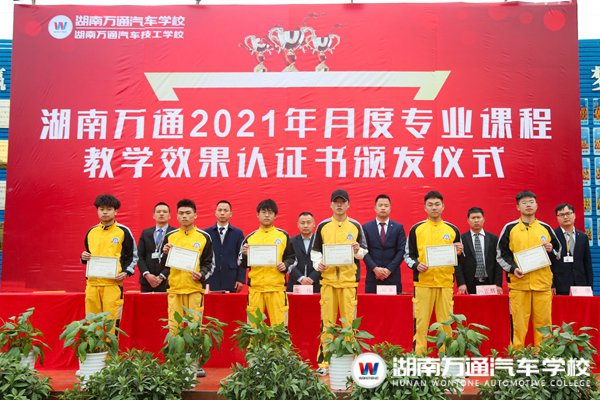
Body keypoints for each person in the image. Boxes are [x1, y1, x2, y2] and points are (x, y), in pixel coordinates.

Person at [312, 189, 368, 375]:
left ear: (348, 204)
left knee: (349, 324)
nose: (339, 205)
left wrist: (357, 250)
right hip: (328, 282)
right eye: (336, 202)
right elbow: (315, 252)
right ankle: (324, 363)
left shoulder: (355, 226)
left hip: (348, 282)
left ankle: (350, 362)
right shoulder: (323, 226)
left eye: (342, 202)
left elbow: (364, 252)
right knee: (327, 323)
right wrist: (318, 264)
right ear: (331, 204)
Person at [497, 190, 560, 348]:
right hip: (519, 285)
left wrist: (551, 249)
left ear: (537, 205)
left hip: (542, 285)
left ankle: (543, 356)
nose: (528, 205)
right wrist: (513, 269)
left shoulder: (545, 228)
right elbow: (501, 255)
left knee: (544, 325)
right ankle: (517, 357)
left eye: (531, 202)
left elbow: (558, 253)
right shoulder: (510, 228)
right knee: (518, 325)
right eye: (524, 203)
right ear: (518, 207)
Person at [404, 191, 463, 355]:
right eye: (430, 205)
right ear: (425, 208)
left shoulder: (452, 229)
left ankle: (446, 357)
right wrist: (416, 265)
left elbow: (460, 258)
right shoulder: (417, 229)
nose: (434, 208)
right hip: (423, 283)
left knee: (446, 324)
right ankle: (419, 357)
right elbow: (408, 255)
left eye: (437, 204)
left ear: (443, 206)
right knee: (421, 323)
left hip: (445, 284)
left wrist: (459, 252)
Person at [160, 199, 214, 377]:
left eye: (188, 213)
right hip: (175, 289)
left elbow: (209, 264)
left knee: (194, 328)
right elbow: (161, 263)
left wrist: (202, 274)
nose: (184, 216)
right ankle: (174, 364)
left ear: (195, 215)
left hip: (194, 289)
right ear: (176, 216)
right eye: (181, 213)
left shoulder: (203, 237)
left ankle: (194, 364)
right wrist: (164, 253)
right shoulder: (170, 236)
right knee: (174, 328)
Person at [80, 194, 137, 329]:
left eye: (109, 209)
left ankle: (110, 344)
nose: (105, 212)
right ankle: (94, 344)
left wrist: (126, 272)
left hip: (113, 284)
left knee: (111, 323)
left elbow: (133, 256)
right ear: (97, 211)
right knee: (92, 324)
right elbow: (88, 254)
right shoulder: (91, 232)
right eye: (101, 209)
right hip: (92, 284)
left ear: (116, 211)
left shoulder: (123, 231)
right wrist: (83, 257)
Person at [239, 199, 296, 326]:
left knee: (279, 327)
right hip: (256, 289)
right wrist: (244, 254)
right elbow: (241, 263)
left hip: (276, 288)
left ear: (275, 216)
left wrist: (286, 265)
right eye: (263, 212)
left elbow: (293, 258)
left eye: (270, 212)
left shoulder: (283, 236)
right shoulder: (250, 238)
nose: (266, 215)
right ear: (257, 214)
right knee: (254, 328)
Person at [362, 194, 406, 294]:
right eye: (380, 205)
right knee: (372, 303)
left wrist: (389, 270)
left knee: (393, 304)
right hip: (373, 276)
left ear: (390, 208)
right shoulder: (366, 227)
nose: (383, 208)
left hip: (393, 276)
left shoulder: (398, 227)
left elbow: (402, 250)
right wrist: (375, 269)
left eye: (386, 206)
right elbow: (363, 251)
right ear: (375, 208)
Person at [456, 207, 503, 295]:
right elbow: (458, 263)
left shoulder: (493, 239)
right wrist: (461, 283)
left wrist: (498, 284)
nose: (476, 220)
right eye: (473, 218)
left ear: (483, 219)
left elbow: (498, 262)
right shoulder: (462, 239)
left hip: (489, 282)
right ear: (468, 220)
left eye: (478, 217)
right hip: (469, 283)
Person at [204, 200, 246, 293]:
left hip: (231, 277)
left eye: (225, 210)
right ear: (215, 213)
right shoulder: (207, 233)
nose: (222, 213)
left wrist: (240, 279)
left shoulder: (237, 233)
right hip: (211, 276)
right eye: (220, 210)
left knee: (230, 302)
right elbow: (203, 257)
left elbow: (242, 257)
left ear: (230, 214)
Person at [553, 203, 593, 295]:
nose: (565, 217)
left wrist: (590, 286)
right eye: (561, 215)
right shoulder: (553, 236)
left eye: (568, 213)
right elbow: (549, 264)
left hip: (581, 285)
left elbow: (587, 263)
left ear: (574, 215)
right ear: (557, 218)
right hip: (560, 285)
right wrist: (552, 285)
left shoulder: (583, 237)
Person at [137, 202, 175, 293]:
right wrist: (147, 275)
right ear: (153, 215)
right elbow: (140, 256)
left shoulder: (175, 233)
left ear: (169, 216)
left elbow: (175, 260)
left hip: (167, 281)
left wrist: (162, 276)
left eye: (164, 212)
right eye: (158, 212)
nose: (161, 214)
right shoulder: (146, 233)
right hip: (147, 281)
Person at [286, 212, 321, 293]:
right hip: (295, 283)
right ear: (298, 225)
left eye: (308, 222)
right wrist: (301, 278)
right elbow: (288, 261)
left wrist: (312, 278)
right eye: (302, 223)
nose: (305, 226)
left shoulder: (320, 241)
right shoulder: (291, 241)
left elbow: (324, 261)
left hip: (317, 283)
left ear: (314, 224)